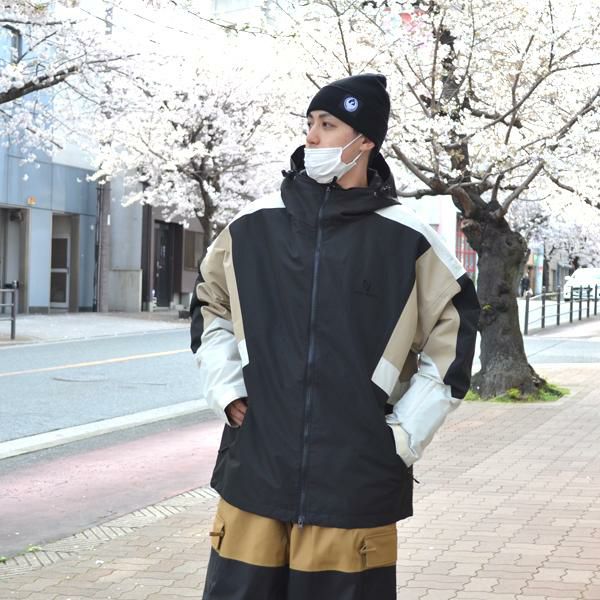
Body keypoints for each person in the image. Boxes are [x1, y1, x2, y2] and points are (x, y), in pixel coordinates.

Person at [190, 73, 480, 600]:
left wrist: (403, 435)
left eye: (328, 125)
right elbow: (211, 305)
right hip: (256, 467)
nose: (312, 137)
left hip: (354, 479)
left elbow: (454, 335)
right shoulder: (254, 226)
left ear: (365, 140)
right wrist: (227, 390)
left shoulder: (407, 238)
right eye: (310, 123)